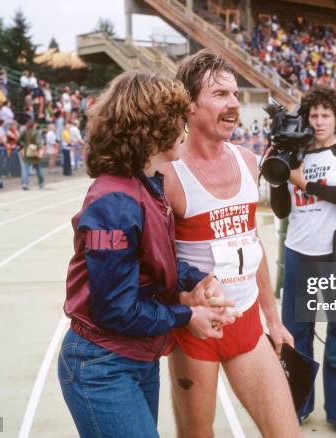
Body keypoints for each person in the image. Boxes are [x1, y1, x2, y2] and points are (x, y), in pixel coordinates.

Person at [58, 71, 234, 437]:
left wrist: (195, 279)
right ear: (151, 128)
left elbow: (150, 261)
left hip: (136, 356)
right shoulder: (115, 202)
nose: (184, 128)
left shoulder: (146, 184)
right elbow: (116, 310)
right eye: (176, 119)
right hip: (102, 364)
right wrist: (188, 315)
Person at [160, 48, 300, 438]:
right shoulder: (169, 174)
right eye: (221, 95)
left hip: (247, 324)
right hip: (196, 333)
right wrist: (186, 303)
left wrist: (273, 320)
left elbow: (251, 243)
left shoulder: (248, 161)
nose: (234, 105)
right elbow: (154, 263)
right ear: (188, 105)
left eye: (236, 95)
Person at [269, 85, 336, 437]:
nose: (320, 121)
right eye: (314, 115)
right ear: (305, 119)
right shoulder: (294, 156)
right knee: (298, 337)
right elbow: (280, 209)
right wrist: (279, 176)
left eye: (326, 114)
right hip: (298, 253)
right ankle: (300, 405)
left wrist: (300, 182)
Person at [18, 120, 45, 190]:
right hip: (35, 152)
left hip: (27, 152)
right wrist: (40, 149)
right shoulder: (37, 132)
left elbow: (18, 141)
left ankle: (25, 183)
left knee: (25, 169)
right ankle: (41, 183)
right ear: (34, 125)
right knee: (39, 168)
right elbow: (39, 143)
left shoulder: (25, 132)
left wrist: (24, 145)